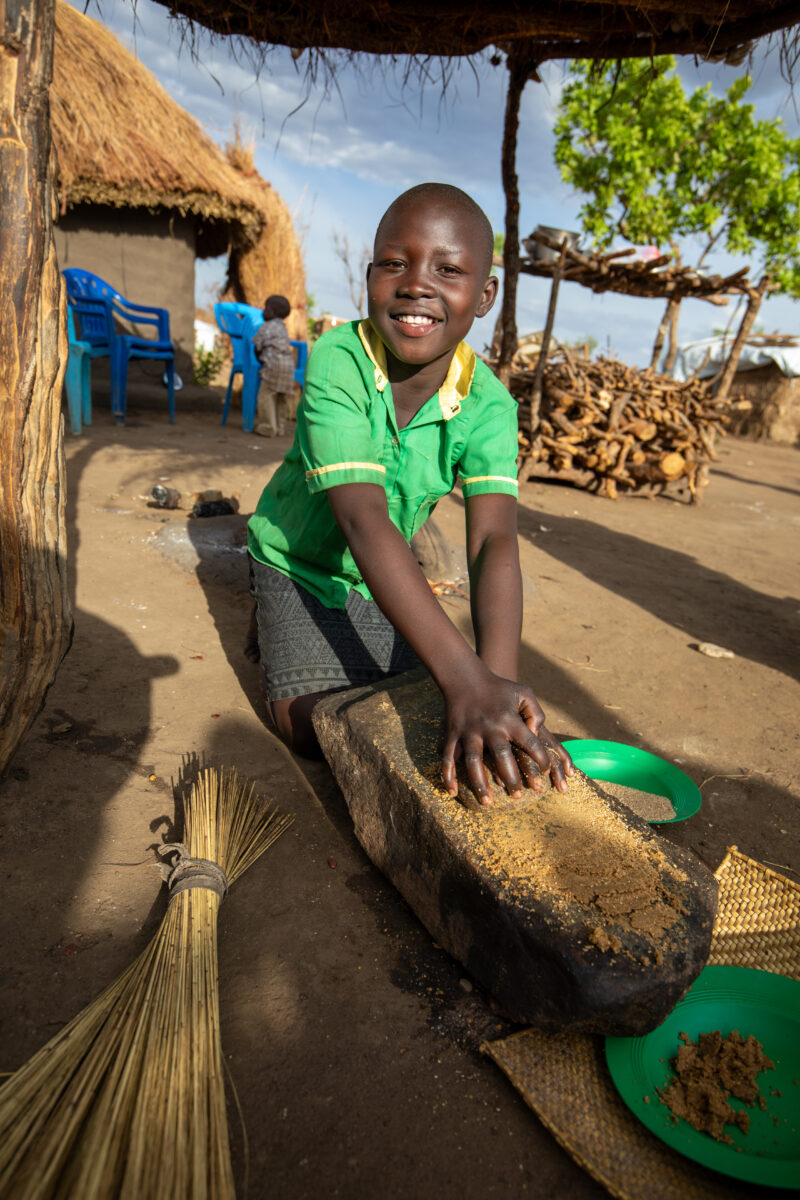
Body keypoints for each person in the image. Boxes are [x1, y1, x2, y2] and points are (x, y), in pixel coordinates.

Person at [247, 182, 574, 805]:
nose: (417, 284)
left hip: (383, 574)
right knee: (311, 728)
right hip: (302, 561)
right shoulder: (340, 358)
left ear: (484, 296)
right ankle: (268, 603)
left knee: (430, 706)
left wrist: (496, 689)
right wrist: (464, 680)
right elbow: (363, 518)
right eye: (395, 264)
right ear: (370, 276)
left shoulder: (490, 406)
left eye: (448, 270)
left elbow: (493, 540)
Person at [252, 294, 296, 437]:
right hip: (288, 368)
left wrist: (260, 359)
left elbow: (257, 346)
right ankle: (280, 427)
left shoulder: (266, 326)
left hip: (273, 367)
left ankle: (268, 427)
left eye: (266, 308)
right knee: (280, 398)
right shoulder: (283, 328)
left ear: (272, 311)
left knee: (266, 396)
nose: (263, 311)